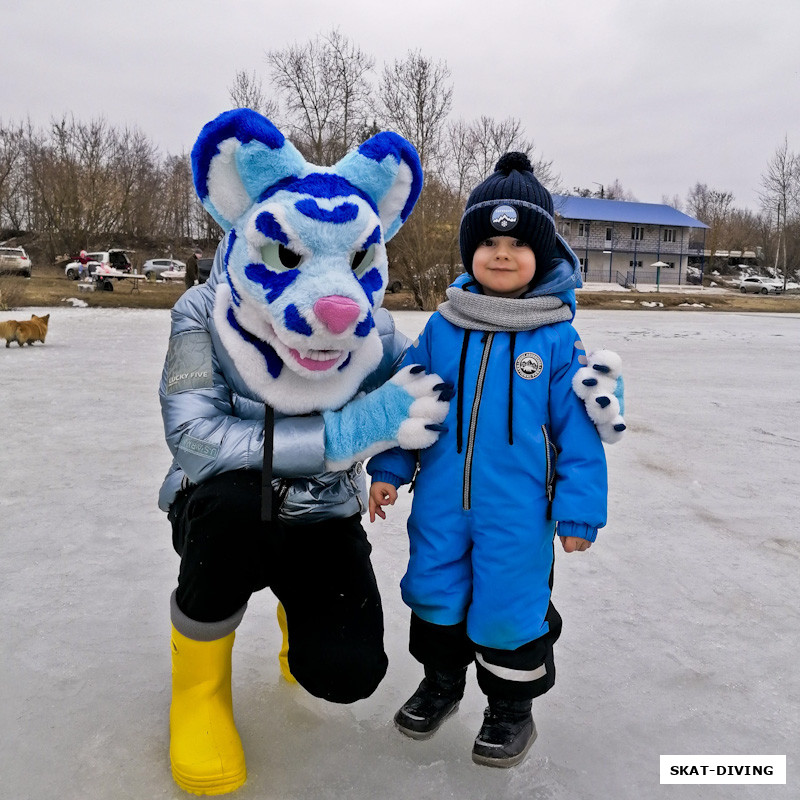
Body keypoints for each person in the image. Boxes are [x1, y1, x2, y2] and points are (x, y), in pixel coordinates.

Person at [367, 152, 609, 769]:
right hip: (443, 504)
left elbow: (577, 434)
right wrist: (391, 470)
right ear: (471, 252)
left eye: (518, 243)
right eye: (490, 242)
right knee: (435, 594)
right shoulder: (443, 329)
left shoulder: (557, 337)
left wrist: (580, 512)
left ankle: (509, 710)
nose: (502, 254)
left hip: (519, 514)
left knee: (508, 610)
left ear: (545, 256)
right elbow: (411, 405)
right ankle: (442, 685)